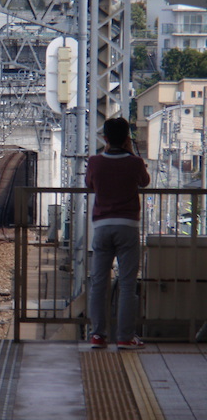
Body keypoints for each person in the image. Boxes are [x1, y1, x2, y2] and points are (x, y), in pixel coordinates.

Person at [85, 117, 150, 349]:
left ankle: (98, 335)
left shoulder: (94, 161)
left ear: (105, 138)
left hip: (102, 227)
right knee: (127, 284)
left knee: (99, 283)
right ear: (126, 139)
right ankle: (125, 337)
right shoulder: (135, 162)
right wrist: (131, 153)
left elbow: (89, 184)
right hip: (127, 227)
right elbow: (145, 182)